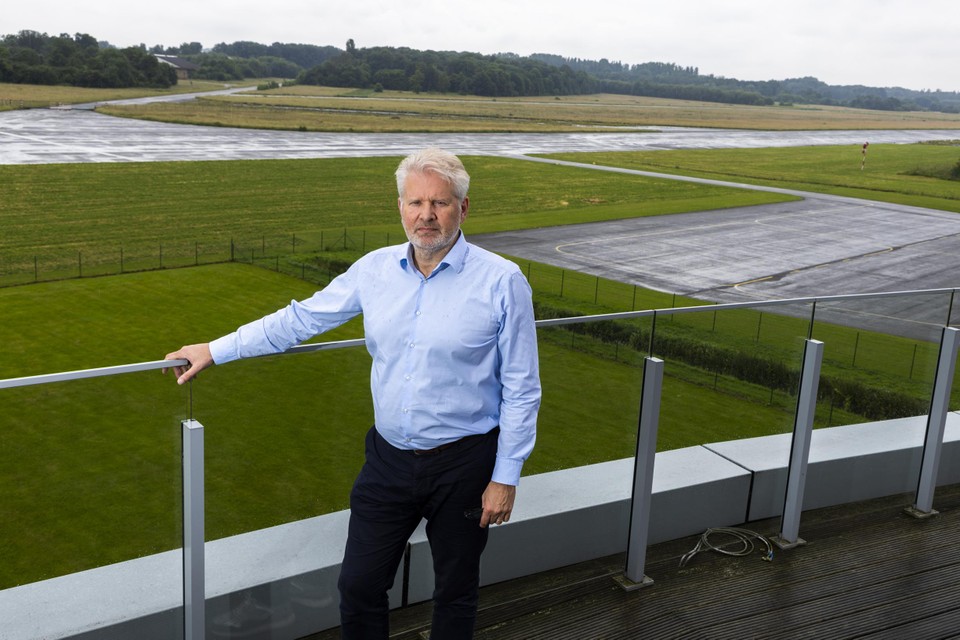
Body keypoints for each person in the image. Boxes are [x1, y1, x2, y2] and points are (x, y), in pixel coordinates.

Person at [164, 148, 541, 639]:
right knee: (359, 585)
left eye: (440, 203)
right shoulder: (374, 270)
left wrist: (505, 476)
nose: (426, 216)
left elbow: (522, 387)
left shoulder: (502, 281)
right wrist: (215, 349)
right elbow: (299, 320)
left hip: (465, 466)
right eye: (415, 203)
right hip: (387, 461)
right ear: (400, 207)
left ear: (463, 208)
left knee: (455, 591)